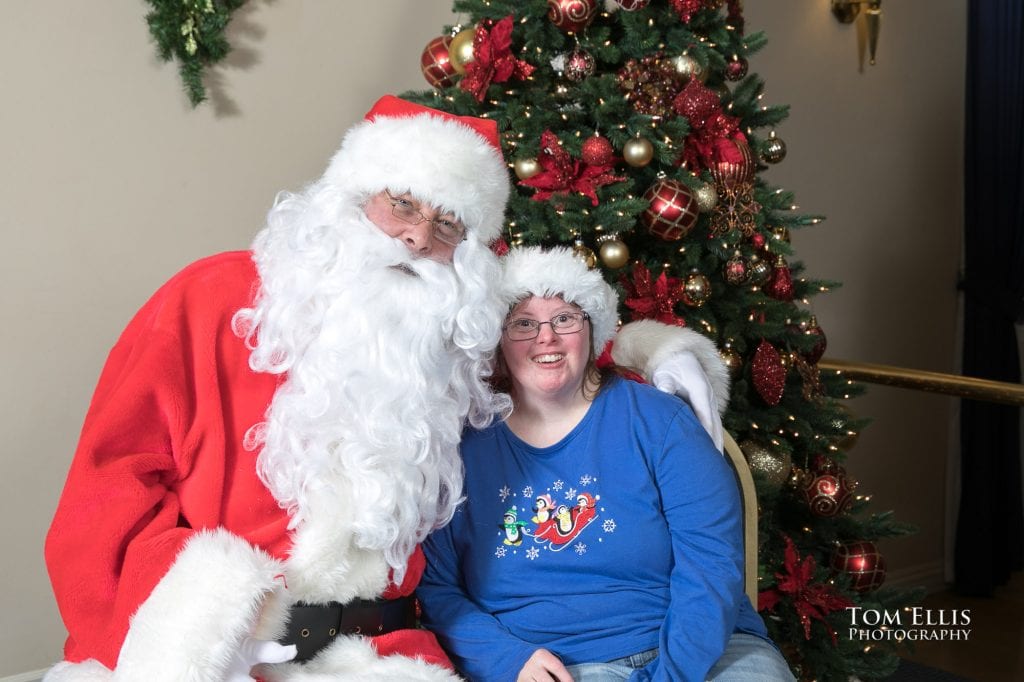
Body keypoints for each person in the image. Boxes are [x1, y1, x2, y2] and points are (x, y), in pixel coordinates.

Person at [43, 97, 727, 682]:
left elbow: (554, 357)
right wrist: (200, 616)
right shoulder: (211, 298)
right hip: (216, 648)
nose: (415, 237)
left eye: (447, 224)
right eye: (400, 203)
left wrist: (650, 346)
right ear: (350, 197)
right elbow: (103, 493)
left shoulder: (448, 336)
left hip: (378, 653)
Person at [417, 246, 794, 682]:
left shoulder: (660, 421)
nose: (546, 337)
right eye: (523, 323)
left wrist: (672, 674)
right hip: (559, 665)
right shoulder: (465, 446)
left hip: (704, 649)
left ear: (592, 330)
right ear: (499, 341)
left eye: (564, 318)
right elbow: (439, 587)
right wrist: (504, 658)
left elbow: (712, 564)